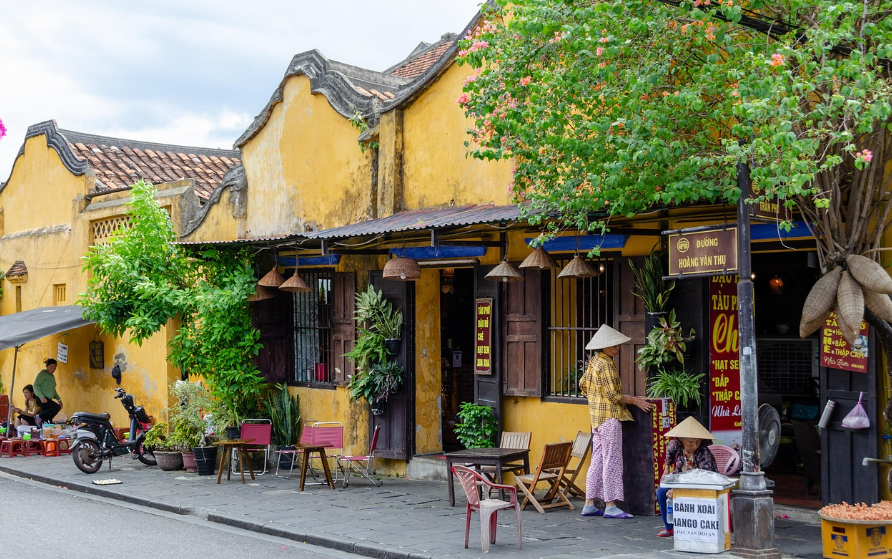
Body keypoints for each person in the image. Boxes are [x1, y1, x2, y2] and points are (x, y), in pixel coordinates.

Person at [579, 324, 653, 519]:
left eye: (618, 345)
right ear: (604, 346)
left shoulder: (593, 362)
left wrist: (597, 399)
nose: (617, 348)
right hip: (610, 418)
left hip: (596, 419)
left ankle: (589, 503)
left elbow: (582, 385)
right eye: (614, 345)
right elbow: (613, 395)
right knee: (611, 461)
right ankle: (610, 505)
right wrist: (635, 400)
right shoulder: (607, 364)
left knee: (597, 460)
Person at [655, 417, 719, 537]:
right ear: (682, 440)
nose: (694, 445)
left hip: (702, 485)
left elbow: (702, 478)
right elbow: (670, 448)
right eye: (690, 442)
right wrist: (667, 468)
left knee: (673, 493)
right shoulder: (677, 446)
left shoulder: (704, 453)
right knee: (661, 491)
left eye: (697, 442)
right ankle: (670, 528)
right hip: (682, 480)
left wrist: (678, 490)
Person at [33, 358, 63, 424]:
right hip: (42, 398)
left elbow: (53, 390)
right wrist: (41, 397)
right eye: (51, 367)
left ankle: (44, 427)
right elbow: (35, 385)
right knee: (56, 407)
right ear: (47, 366)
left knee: (48, 418)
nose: (53, 369)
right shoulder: (42, 373)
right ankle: (39, 416)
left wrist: (59, 399)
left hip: (48, 399)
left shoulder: (52, 376)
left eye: (55, 368)